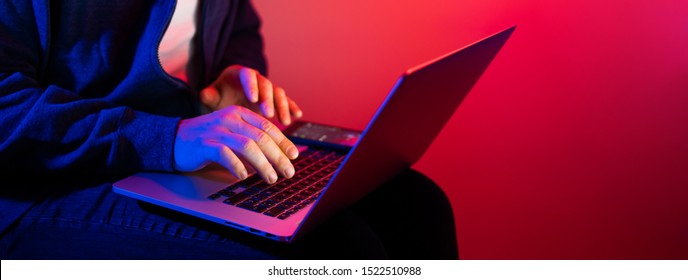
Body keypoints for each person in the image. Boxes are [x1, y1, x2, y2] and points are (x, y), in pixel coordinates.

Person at [0, 0, 457, 259]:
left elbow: (237, 23)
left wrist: (228, 76)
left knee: (417, 203)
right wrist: (169, 138)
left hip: (168, 158)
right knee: (332, 251)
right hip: (43, 188)